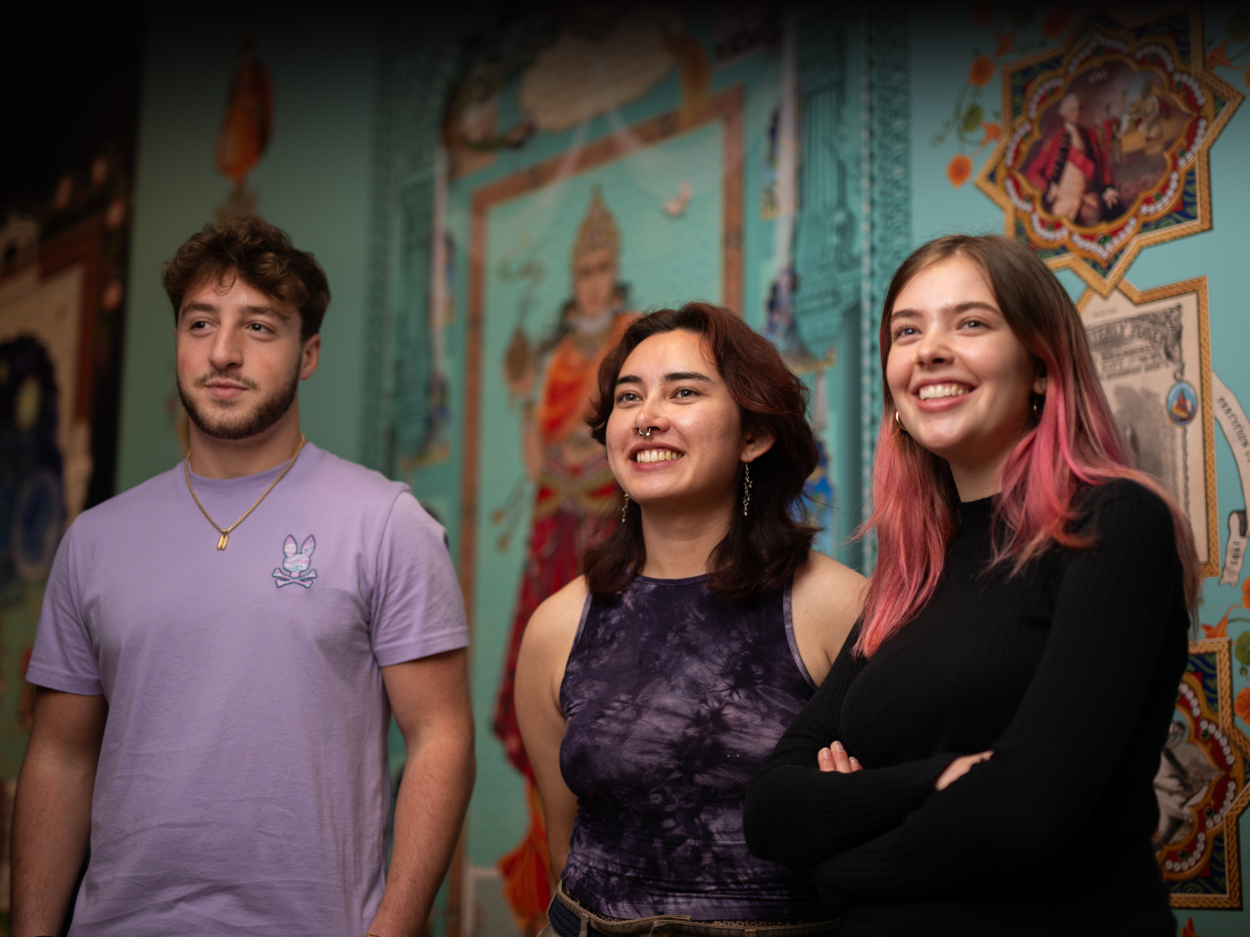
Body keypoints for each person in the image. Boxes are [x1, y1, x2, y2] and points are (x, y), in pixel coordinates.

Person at [12, 216, 475, 936]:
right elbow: (60, 757)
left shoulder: (386, 522)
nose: (223, 352)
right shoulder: (92, 541)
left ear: (308, 352)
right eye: (200, 323)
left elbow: (441, 736)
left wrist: (394, 928)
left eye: (259, 327)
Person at [744, 234, 1199, 936]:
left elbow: (1024, 811)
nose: (929, 349)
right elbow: (772, 811)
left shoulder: (1115, 521)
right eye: (907, 331)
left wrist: (840, 870)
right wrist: (939, 777)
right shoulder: (909, 575)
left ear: (1041, 366)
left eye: (971, 322)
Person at [515, 302, 865, 937]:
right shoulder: (556, 626)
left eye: (683, 393)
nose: (646, 417)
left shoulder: (837, 608)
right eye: (629, 397)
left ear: (753, 436)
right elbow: (564, 849)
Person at [492, 188, 633, 930]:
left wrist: (586, 460)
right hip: (555, 542)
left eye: (602, 268)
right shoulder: (556, 359)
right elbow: (537, 458)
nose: (593, 282)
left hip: (611, 534)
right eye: (584, 271)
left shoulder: (633, 340)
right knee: (546, 700)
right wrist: (525, 398)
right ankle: (554, 879)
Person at [1027, 93, 1121, 225]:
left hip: (1091, 201)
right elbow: (1032, 173)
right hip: (1064, 204)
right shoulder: (1054, 140)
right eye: (1072, 110)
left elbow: (1102, 164)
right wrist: (1048, 187)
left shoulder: (1090, 135)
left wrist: (1108, 187)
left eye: (1079, 109)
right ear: (1064, 113)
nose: (1077, 113)